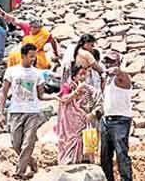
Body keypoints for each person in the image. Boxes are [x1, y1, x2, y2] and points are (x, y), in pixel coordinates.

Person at [0, 43, 53, 180]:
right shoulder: (11, 71)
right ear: (23, 56)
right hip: (15, 111)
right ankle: (31, 162)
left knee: (28, 143)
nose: (33, 59)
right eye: (31, 56)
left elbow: (41, 95)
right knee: (16, 144)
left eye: (34, 56)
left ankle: (19, 173)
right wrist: (0, 113)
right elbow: (4, 93)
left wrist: (55, 97)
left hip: (32, 112)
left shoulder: (37, 74)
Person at [98, 53, 133, 181]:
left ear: (118, 63)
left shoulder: (122, 78)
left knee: (121, 154)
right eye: (106, 62)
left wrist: (117, 70)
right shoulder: (107, 80)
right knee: (105, 156)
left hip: (120, 121)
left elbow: (121, 74)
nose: (108, 65)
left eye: (111, 62)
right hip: (106, 119)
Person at [56, 64, 100, 165]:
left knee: (82, 138)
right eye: (81, 75)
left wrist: (92, 114)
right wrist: (77, 91)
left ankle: (83, 160)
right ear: (74, 77)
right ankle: (69, 160)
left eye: (85, 75)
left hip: (83, 120)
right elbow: (63, 100)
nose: (83, 77)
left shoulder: (89, 89)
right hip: (69, 123)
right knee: (71, 140)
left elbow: (98, 102)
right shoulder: (67, 87)